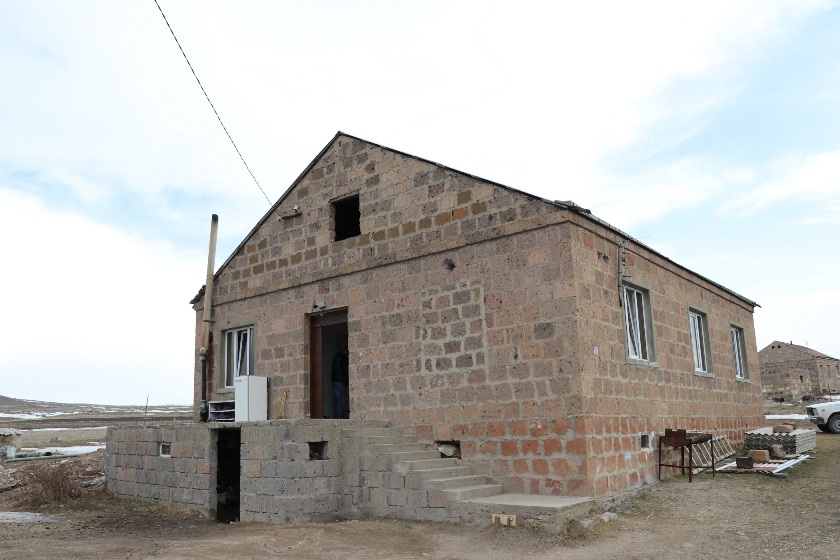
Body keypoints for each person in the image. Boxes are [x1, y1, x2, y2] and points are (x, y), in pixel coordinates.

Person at [331, 345, 349, 419]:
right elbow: (338, 367)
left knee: (337, 400)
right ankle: (338, 417)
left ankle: (336, 417)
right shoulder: (340, 356)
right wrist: (345, 373)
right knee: (340, 400)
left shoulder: (339, 356)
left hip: (337, 380)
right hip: (339, 380)